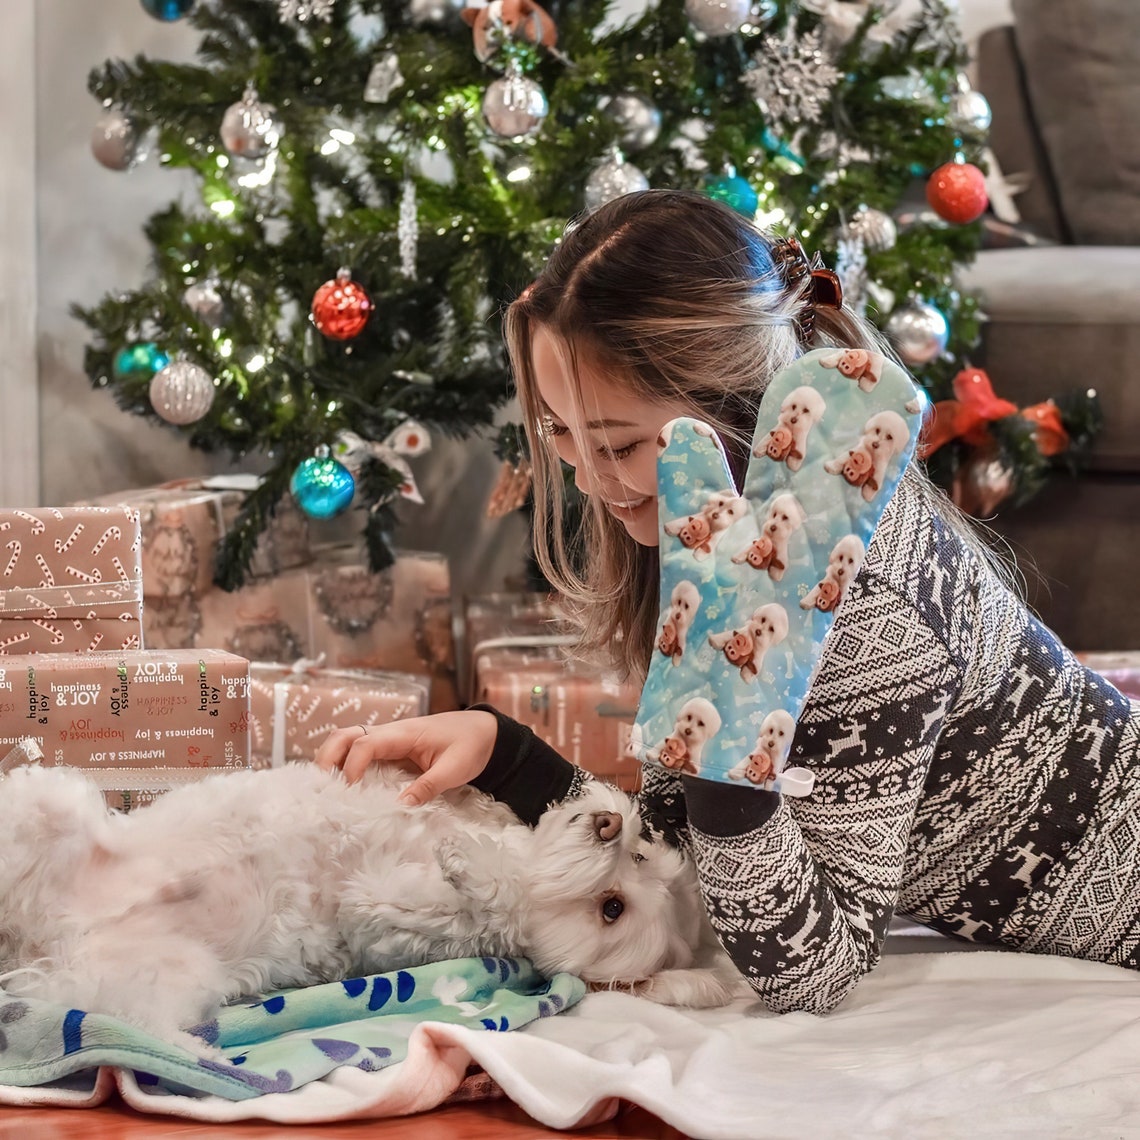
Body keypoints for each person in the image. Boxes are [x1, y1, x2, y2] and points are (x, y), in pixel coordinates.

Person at [315, 189, 1140, 1014]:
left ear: (741, 415)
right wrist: (507, 755)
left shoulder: (868, 606)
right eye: (561, 436)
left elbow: (812, 967)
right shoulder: (735, 536)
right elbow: (688, 845)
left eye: (618, 445)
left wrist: (727, 753)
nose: (589, 481)